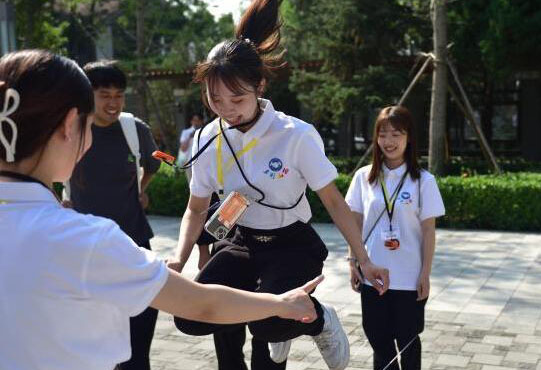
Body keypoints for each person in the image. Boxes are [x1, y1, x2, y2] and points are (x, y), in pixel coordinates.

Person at [0, 49, 324, 370]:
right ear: (70, 125)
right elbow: (201, 305)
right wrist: (283, 304)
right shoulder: (86, 239)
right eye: (90, 123)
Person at [165, 2, 390, 370]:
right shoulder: (209, 137)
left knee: (267, 324)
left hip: (291, 244)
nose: (226, 109)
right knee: (189, 316)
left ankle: (317, 317)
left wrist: (364, 259)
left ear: (260, 85)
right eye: (215, 99)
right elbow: (195, 207)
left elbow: (334, 203)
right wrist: (179, 256)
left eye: (236, 98)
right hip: (240, 240)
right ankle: (282, 319)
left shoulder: (295, 136)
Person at [60, 60, 160, 370]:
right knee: (95, 346)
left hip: (134, 243)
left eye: (119, 94)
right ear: (88, 95)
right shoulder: (70, 131)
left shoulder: (134, 130)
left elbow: (153, 165)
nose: (113, 102)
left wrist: (141, 189)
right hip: (85, 252)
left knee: (138, 339)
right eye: (104, 94)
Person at [344, 106, 445, 370]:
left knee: (409, 342)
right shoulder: (364, 178)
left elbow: (428, 231)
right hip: (373, 275)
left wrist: (425, 273)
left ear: (409, 137)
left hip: (409, 278)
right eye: (383, 134)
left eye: (396, 134)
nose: (389, 141)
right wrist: (352, 261)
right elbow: (355, 222)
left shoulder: (423, 181)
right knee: (380, 342)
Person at [178, 113, 204, 181]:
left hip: (204, 162)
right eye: (194, 120)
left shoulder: (206, 131)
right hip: (190, 163)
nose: (196, 122)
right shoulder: (186, 132)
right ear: (191, 121)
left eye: (198, 120)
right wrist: (190, 137)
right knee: (192, 185)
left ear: (201, 121)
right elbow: (183, 149)